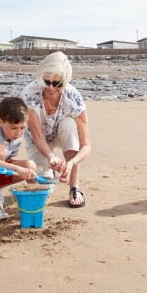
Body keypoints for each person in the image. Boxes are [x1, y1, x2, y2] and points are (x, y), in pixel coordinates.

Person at [21, 51, 91, 208]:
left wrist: (72, 162)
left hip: (61, 133)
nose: (51, 88)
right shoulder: (29, 94)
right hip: (38, 138)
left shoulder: (73, 98)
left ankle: (75, 187)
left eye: (57, 84)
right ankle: (48, 170)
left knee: (68, 124)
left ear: (65, 82)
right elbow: (38, 136)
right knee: (41, 186)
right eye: (47, 81)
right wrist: (51, 156)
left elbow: (86, 145)